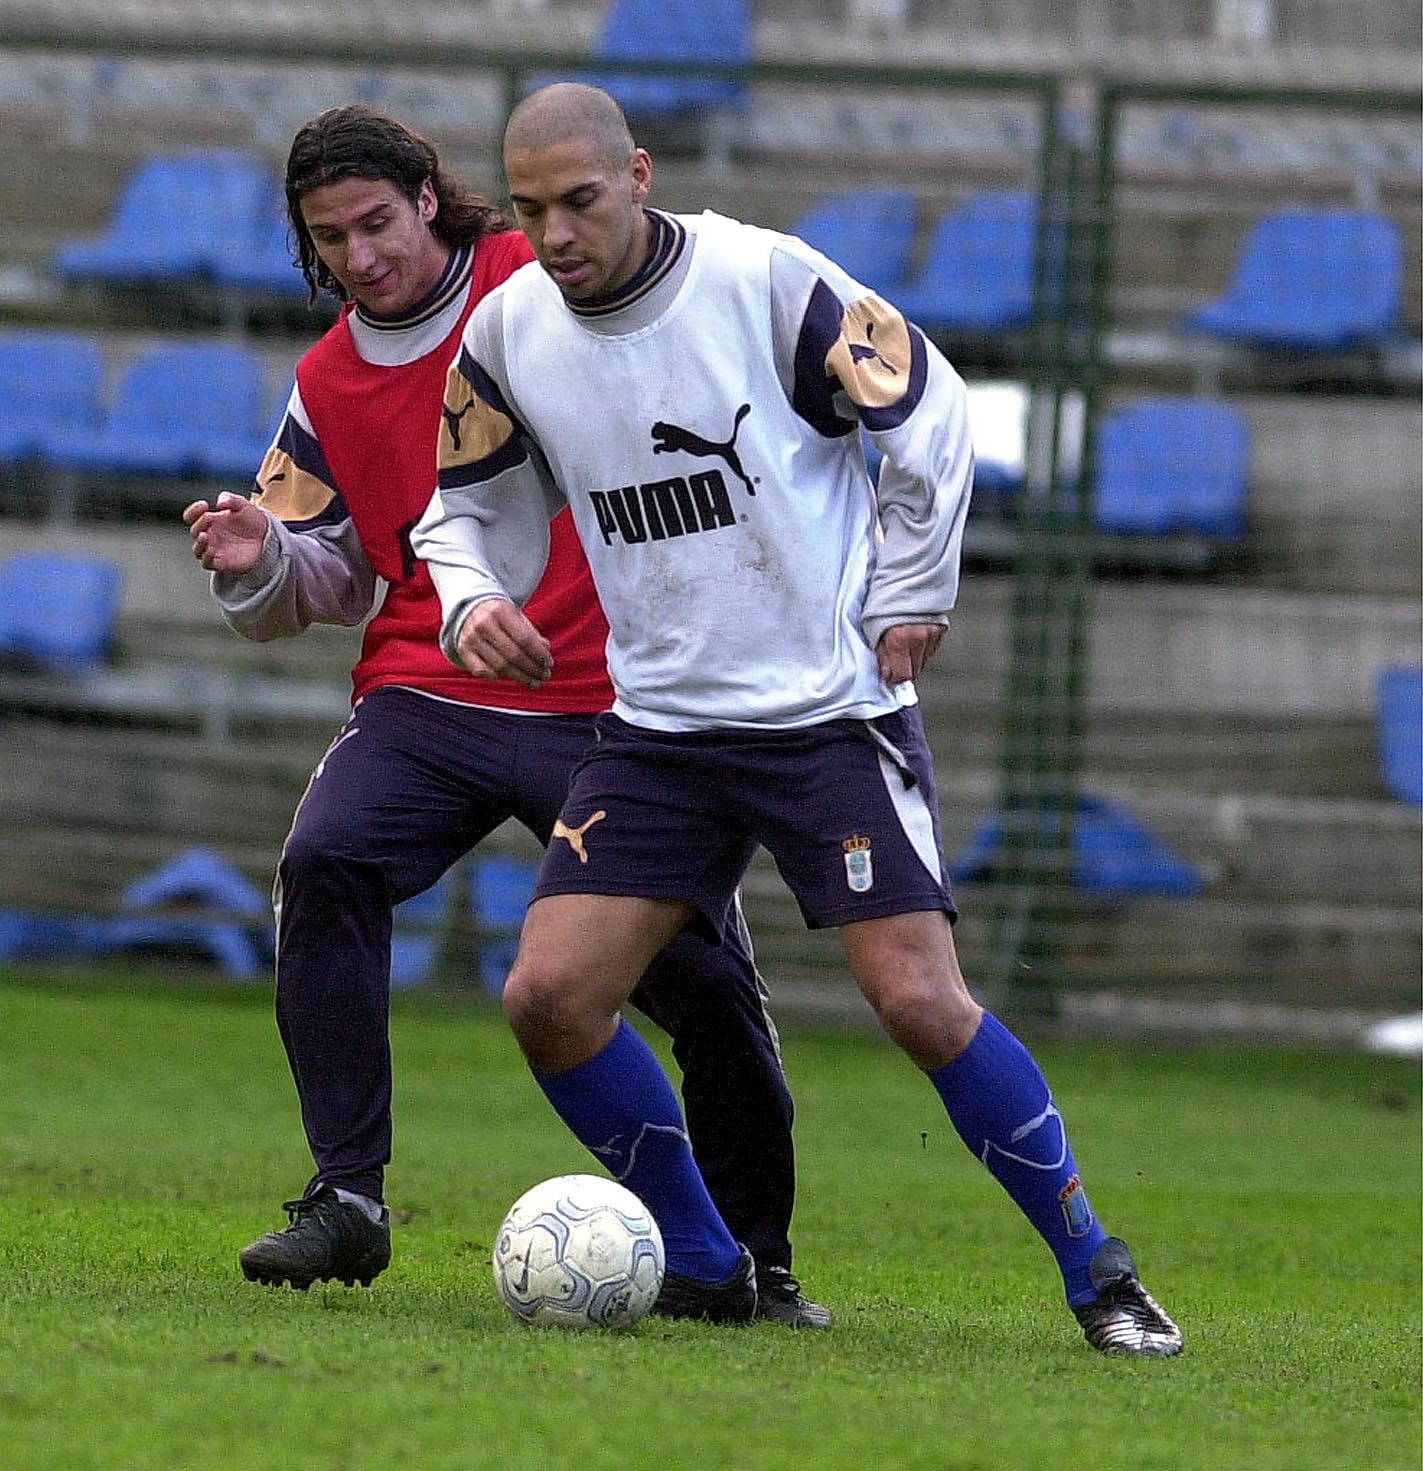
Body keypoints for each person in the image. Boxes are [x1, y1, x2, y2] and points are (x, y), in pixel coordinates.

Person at [412, 81, 1184, 1354]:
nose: (556, 235)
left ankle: (1098, 1271)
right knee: (549, 997)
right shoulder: (507, 331)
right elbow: (463, 505)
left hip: (828, 716)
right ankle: (711, 1262)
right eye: (534, 207)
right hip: (659, 728)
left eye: (582, 202)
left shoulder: (766, 283)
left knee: (918, 1003)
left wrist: (912, 587)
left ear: (641, 174)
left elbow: (927, 406)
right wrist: (469, 599)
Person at [181, 104, 829, 1328]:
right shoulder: (325, 381)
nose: (360, 258)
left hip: (611, 699)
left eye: (376, 223)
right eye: (331, 242)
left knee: (696, 980)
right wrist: (257, 554)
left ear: (429, 197)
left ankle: (752, 1254)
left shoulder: (544, 285)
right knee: (324, 859)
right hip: (426, 692)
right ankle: (348, 1197)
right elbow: (321, 584)